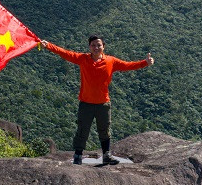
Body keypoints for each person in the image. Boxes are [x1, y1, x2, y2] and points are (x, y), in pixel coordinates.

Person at [40, 35, 153, 165]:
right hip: (86, 103)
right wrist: (48, 45)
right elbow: (66, 53)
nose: (96, 47)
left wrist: (145, 63)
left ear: (103, 47)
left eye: (99, 45)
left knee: (104, 130)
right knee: (82, 129)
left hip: (103, 103)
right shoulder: (83, 59)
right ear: (89, 47)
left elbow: (127, 66)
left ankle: (106, 155)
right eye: (93, 45)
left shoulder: (111, 61)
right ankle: (78, 155)